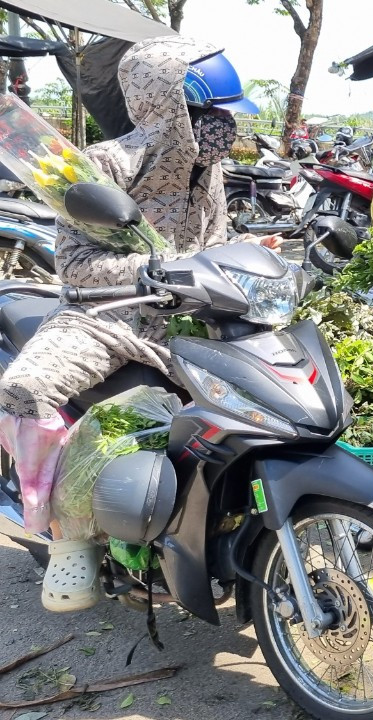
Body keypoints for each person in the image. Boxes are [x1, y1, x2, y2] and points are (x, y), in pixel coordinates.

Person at [0, 36, 276, 612]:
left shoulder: (211, 169)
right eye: (208, 114)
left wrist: (251, 255)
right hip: (107, 318)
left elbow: (214, 240)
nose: (222, 127)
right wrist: (150, 267)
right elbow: (76, 264)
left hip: (188, 320)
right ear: (171, 108)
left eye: (225, 115)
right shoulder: (101, 166)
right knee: (23, 391)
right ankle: (68, 536)